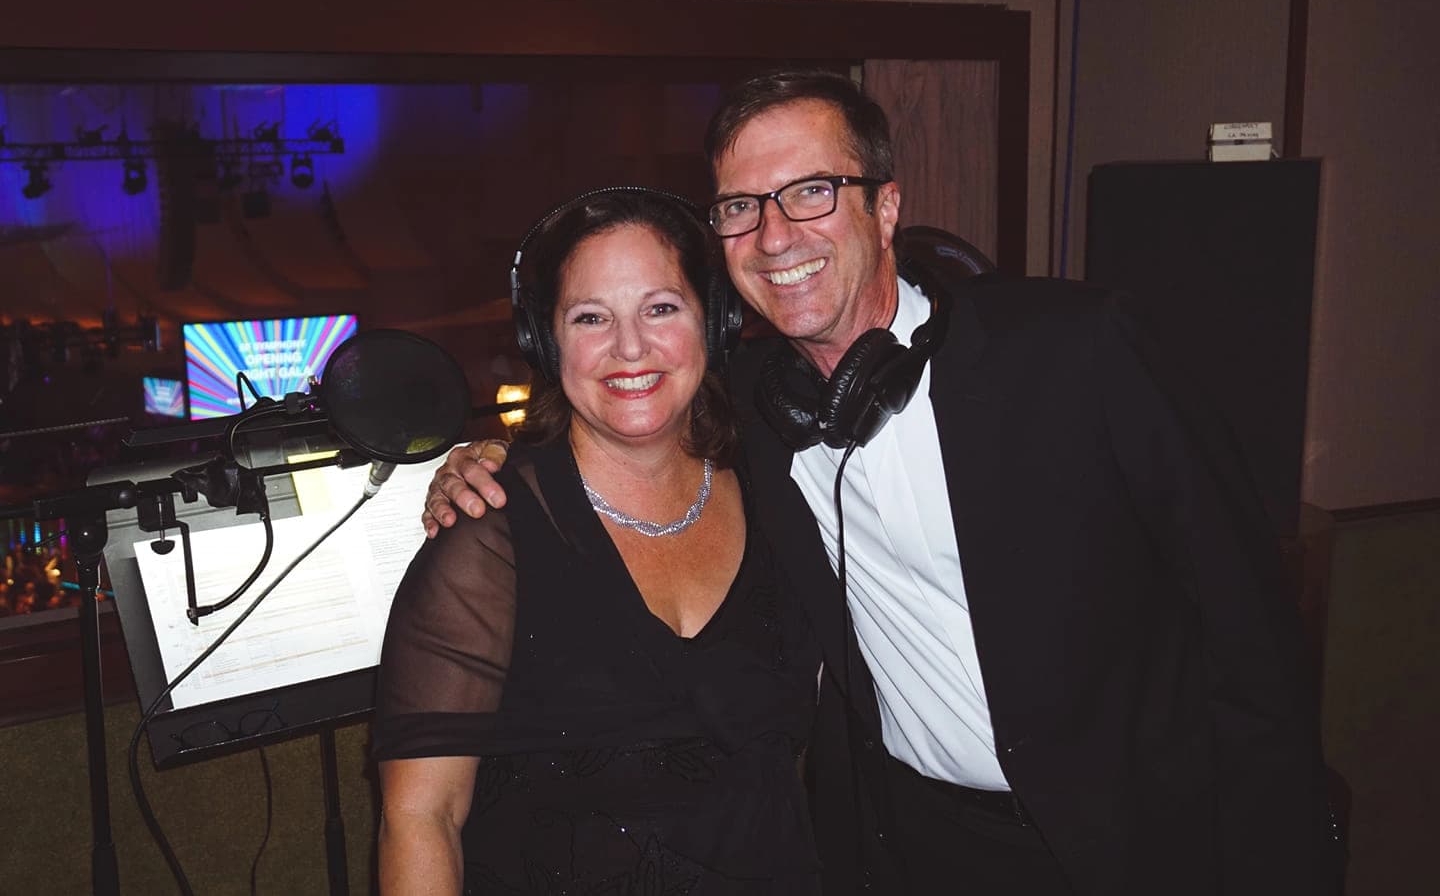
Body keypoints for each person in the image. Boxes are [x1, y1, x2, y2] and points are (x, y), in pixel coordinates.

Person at [422, 71, 1338, 895]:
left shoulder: (1080, 353)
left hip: (1136, 844)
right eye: (741, 206)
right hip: (915, 850)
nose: (776, 234)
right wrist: (492, 462)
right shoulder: (748, 407)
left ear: (887, 207)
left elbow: (1250, 632)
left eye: (813, 192)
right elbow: (624, 416)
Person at [375, 188, 823, 895]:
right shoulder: (490, 536)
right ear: (546, 343)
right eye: (591, 317)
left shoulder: (776, 481)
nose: (631, 348)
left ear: (714, 320)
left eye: (661, 307)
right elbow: (421, 819)